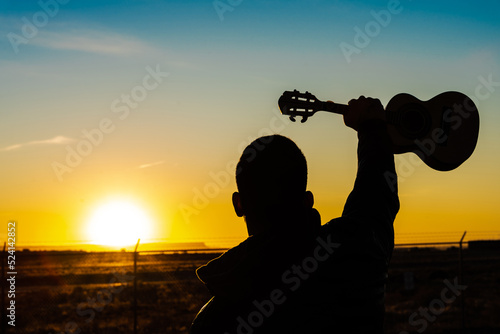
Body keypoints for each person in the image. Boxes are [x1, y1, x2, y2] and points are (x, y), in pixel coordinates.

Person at [190, 96, 400, 333]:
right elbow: (376, 195)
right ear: (308, 201)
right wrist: (371, 128)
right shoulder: (358, 251)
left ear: (238, 205)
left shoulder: (214, 321)